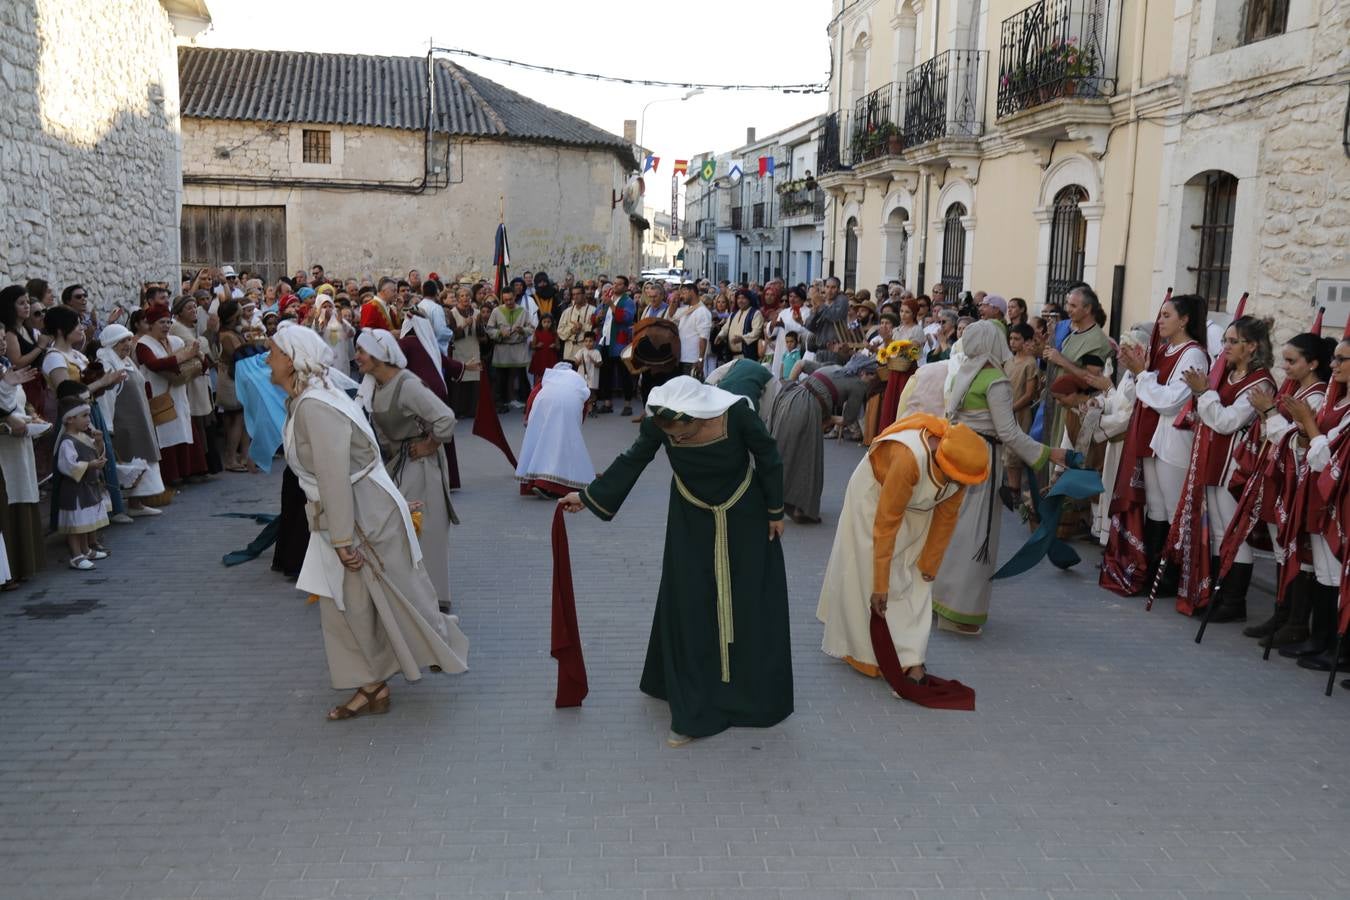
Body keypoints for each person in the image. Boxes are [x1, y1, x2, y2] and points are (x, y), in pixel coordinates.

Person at [558, 376, 791, 747]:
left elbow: (768, 457)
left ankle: (751, 692)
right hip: (691, 517)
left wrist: (775, 509)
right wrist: (587, 497)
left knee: (748, 597)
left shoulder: (738, 415)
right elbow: (634, 459)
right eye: (672, 439)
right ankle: (691, 702)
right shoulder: (660, 422)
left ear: (700, 414)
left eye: (683, 435)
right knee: (690, 601)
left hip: (744, 514)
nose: (677, 442)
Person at [270, 325, 469, 720]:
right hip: (353, 511)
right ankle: (372, 684)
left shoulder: (314, 406)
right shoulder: (309, 400)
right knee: (351, 604)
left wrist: (343, 538)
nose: (267, 360)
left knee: (375, 601)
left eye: (273, 353)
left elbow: (334, 475)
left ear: (292, 361)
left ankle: (388, 676)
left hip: (361, 514)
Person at [817, 414, 986, 705]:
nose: (959, 485)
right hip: (873, 500)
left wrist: (930, 565)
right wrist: (880, 585)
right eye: (954, 479)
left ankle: (910, 658)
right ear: (938, 456)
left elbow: (947, 517)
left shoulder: (962, 467)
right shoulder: (908, 457)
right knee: (869, 574)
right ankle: (866, 654)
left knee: (917, 581)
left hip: (919, 506)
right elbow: (886, 524)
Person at [931, 322, 1067, 635]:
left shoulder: (966, 372)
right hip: (982, 460)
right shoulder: (996, 381)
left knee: (952, 530)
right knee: (975, 536)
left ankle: (940, 602)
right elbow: (1007, 432)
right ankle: (960, 612)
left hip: (957, 455)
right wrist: (1048, 453)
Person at [1224, 333, 1332, 647]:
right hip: (1277, 478)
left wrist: (1270, 412)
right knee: (1282, 550)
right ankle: (1282, 613)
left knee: (1298, 551)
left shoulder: (1315, 396)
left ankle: (1297, 621)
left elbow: (1298, 441)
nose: (1284, 367)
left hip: (1297, 481)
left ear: (1312, 363)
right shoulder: (1294, 389)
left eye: (1292, 361)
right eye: (1284, 360)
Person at [1100, 294, 1209, 597]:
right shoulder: (1164, 349)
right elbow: (1145, 391)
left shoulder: (1194, 355)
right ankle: (1153, 570)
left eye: (1166, 315)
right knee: (1157, 508)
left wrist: (1141, 374)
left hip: (1174, 439)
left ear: (1185, 320)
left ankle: (1176, 576)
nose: (1159, 321)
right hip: (1153, 437)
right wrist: (1138, 372)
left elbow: (1171, 401)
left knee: (1175, 508)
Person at [1169, 316, 1274, 619]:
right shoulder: (1226, 373)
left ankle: (1234, 601)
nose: (1225, 346)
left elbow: (1228, 421)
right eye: (1225, 340)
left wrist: (1204, 394)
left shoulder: (1260, 382)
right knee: (1217, 531)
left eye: (1232, 341)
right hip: (1214, 460)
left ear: (1251, 346)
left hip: (1235, 467)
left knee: (1232, 532)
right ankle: (1217, 592)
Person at [355, 329, 460, 614]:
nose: (357, 357)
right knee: (400, 532)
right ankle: (408, 597)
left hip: (419, 467)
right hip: (398, 465)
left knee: (420, 531)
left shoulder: (407, 384)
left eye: (361, 351)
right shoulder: (375, 384)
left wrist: (430, 445)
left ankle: (430, 601)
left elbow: (445, 417)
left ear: (379, 355)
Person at [1289, 338, 1350, 673]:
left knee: (1338, 570)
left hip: (1340, 498)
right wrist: (1305, 430)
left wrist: (1310, 427)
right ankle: (1321, 637)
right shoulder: (1335, 400)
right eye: (1334, 359)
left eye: (1342, 359)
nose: (1334, 365)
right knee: (1325, 570)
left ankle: (1339, 648)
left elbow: (1332, 456)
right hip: (1320, 493)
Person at [766, 353, 880, 524]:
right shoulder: (859, 385)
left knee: (782, 450)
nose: (871, 381)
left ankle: (770, 499)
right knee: (808, 459)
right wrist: (829, 419)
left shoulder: (834, 367)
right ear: (863, 373)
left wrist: (790, 382)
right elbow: (848, 420)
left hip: (789, 396)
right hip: (807, 408)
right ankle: (801, 508)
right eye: (871, 375)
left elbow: (801, 363)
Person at [93, 323, 167, 514]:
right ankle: (129, 504)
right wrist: (108, 424)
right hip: (124, 421)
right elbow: (106, 397)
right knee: (130, 460)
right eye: (122, 341)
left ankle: (138, 502)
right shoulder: (106, 363)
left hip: (139, 419)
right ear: (112, 343)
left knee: (144, 458)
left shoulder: (126, 361)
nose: (128, 344)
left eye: (128, 340)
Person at [136, 304, 207, 486]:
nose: (166, 326)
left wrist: (196, 355)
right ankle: (170, 474)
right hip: (158, 392)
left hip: (178, 391)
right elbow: (154, 364)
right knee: (165, 430)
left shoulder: (175, 341)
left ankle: (189, 470)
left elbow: (195, 360)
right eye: (162, 322)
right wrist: (184, 356)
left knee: (183, 427)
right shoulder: (143, 344)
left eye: (168, 322)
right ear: (151, 323)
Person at [1041, 285, 1114, 450]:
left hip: (1075, 411)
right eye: (1067, 304)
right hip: (1060, 406)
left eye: (1073, 306)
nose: (1068, 310)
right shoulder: (1074, 333)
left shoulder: (1096, 340)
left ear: (1088, 309)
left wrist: (1061, 360)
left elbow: (1092, 379)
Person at [515, 363, 594, 499]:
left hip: (543, 404)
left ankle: (537, 479)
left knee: (541, 444)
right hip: (569, 406)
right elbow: (585, 404)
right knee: (561, 445)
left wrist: (528, 418)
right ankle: (550, 484)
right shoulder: (578, 379)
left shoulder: (549, 377)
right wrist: (575, 427)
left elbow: (533, 395)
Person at [53, 399, 110, 570]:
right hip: (74, 490)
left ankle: (86, 550)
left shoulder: (83, 436)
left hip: (86, 487)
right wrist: (90, 465)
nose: (88, 420)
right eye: (84, 416)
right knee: (75, 523)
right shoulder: (67, 441)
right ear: (70, 419)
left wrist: (99, 443)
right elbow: (67, 465)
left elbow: (94, 453)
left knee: (84, 520)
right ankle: (76, 555)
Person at [169, 296, 220, 478]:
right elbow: (196, 347)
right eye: (189, 308)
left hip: (200, 379)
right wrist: (207, 337)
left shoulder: (189, 328)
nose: (193, 310)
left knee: (204, 423)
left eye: (194, 307)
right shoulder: (177, 328)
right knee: (197, 423)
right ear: (180, 311)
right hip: (192, 382)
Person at [1000, 322, 1043, 508]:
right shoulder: (1008, 362)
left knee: (1016, 454)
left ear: (1027, 341)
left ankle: (1017, 492)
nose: (1012, 342)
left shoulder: (1030, 363)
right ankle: (1011, 490)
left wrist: (1012, 408)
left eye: (1017, 339)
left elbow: (1029, 394)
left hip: (1020, 414)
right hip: (1005, 411)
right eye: (1011, 338)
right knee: (1008, 455)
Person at [592, 278, 636, 415]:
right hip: (605, 341)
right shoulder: (607, 299)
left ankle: (628, 404)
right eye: (615, 283)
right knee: (606, 373)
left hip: (619, 342)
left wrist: (611, 305)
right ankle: (607, 403)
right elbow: (594, 318)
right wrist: (598, 317)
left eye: (619, 284)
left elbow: (626, 318)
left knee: (624, 374)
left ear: (626, 287)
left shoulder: (628, 301)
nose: (615, 286)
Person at [487, 290, 533, 412]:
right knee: (500, 378)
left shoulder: (523, 311)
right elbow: (489, 329)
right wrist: (499, 332)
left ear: (514, 297)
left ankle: (528, 404)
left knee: (522, 377)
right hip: (502, 349)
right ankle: (499, 404)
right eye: (506, 300)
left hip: (519, 348)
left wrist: (523, 331)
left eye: (510, 299)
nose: (508, 302)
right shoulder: (496, 311)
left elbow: (531, 328)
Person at [447, 286, 487, 418]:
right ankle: (458, 410)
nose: (465, 298)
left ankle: (472, 410)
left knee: (474, 380)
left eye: (468, 295)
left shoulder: (476, 312)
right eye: (462, 296)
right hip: (458, 350)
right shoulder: (452, 313)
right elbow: (451, 335)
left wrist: (480, 324)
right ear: (458, 298)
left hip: (473, 348)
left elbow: (481, 335)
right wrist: (464, 324)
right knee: (459, 379)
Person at [529, 313, 560, 382]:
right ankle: (536, 390)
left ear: (552, 323)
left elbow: (558, 347)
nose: (546, 324)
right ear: (541, 322)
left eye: (549, 322)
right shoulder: (537, 332)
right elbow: (532, 346)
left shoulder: (554, 333)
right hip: (539, 357)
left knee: (550, 376)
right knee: (538, 376)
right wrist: (537, 346)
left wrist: (554, 345)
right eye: (544, 322)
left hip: (550, 357)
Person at [574, 334, 602, 405]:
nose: (588, 343)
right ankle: (584, 406)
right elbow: (576, 362)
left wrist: (593, 361)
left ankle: (592, 407)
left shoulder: (596, 352)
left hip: (592, 376)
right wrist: (578, 362)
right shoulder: (581, 351)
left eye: (590, 341)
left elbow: (599, 364)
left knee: (592, 392)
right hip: (582, 375)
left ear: (594, 342)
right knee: (582, 391)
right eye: (586, 341)